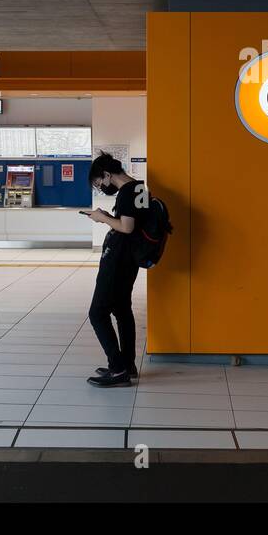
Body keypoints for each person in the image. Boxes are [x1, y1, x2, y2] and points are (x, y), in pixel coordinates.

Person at [82, 152, 151, 387]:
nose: (101, 187)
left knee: (97, 313)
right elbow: (131, 222)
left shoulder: (126, 192)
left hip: (118, 260)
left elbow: (126, 227)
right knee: (122, 310)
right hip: (129, 259)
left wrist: (102, 218)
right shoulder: (140, 188)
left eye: (100, 182)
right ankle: (127, 364)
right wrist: (111, 217)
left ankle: (117, 368)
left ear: (107, 174)